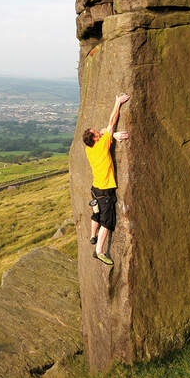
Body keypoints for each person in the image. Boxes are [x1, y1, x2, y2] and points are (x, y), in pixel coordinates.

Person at [82, 92, 130, 266]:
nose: (99, 133)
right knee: (106, 222)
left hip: (95, 189)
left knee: (96, 214)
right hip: (105, 192)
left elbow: (105, 130)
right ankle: (99, 251)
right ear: (95, 139)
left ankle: (92, 236)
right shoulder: (102, 145)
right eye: (97, 134)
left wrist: (112, 135)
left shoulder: (90, 148)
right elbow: (111, 123)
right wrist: (117, 103)